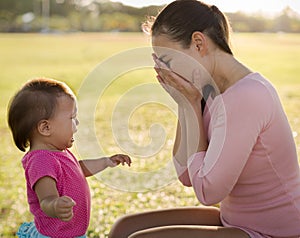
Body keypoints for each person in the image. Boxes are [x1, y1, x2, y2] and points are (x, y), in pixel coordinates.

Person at [108, 1, 300, 238]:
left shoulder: (247, 96)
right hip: (235, 221)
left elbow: (208, 192)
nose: (165, 72)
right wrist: (185, 104)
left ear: (198, 43)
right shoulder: (206, 90)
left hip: (277, 232)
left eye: (167, 61)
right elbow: (186, 175)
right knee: (123, 229)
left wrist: (190, 103)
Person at [7, 78, 131, 238]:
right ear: (45, 128)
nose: (77, 123)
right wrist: (55, 204)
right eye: (72, 118)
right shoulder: (41, 160)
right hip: (54, 235)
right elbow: (46, 199)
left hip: (69, 232)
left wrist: (106, 161)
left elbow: (77, 169)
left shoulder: (58, 153)